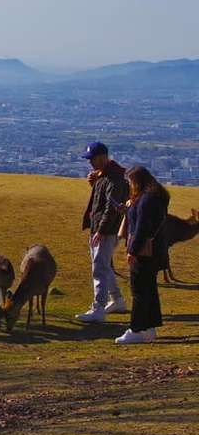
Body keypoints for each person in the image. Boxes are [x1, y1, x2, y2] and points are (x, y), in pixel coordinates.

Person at [115, 166, 169, 344]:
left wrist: (132, 251)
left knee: (139, 290)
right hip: (155, 251)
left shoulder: (146, 200)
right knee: (149, 289)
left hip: (144, 252)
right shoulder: (156, 197)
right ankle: (149, 327)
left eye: (131, 182)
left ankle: (137, 328)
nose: (130, 185)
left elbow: (141, 229)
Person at [75, 142, 129, 323]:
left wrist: (101, 230)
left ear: (104, 157)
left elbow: (110, 208)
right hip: (102, 227)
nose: (91, 163)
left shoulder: (114, 179)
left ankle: (98, 309)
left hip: (105, 229)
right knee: (105, 265)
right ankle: (117, 300)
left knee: (99, 267)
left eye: (93, 159)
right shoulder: (105, 176)